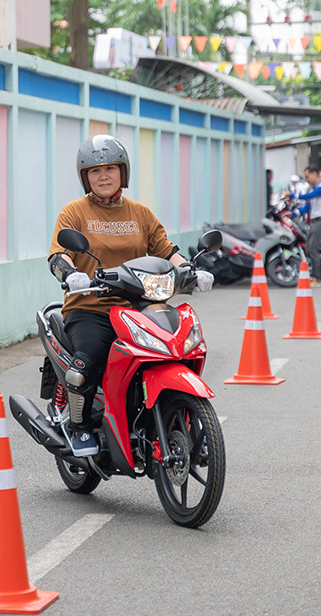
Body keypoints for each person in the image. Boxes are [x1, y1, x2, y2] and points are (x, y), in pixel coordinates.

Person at [47, 134, 212, 457]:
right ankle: (79, 426)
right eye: (95, 171)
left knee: (178, 351)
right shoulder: (74, 212)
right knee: (87, 361)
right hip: (91, 307)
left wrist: (192, 270)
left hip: (139, 306)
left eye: (110, 168)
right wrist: (71, 275)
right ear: (85, 178)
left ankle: (185, 421)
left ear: (123, 172)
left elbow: (168, 251)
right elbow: (58, 256)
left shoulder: (140, 213)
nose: (104, 176)